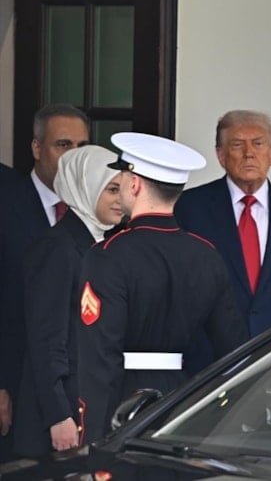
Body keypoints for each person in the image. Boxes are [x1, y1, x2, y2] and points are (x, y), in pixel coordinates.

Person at [76, 132, 250, 445]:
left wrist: (94, 438)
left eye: (122, 176)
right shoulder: (205, 254)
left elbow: (100, 359)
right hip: (182, 406)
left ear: (134, 184)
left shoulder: (108, 255)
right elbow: (234, 350)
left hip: (123, 406)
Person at [174, 110, 271, 346]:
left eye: (258, 144)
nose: (249, 153)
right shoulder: (189, 208)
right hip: (209, 354)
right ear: (220, 155)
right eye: (237, 144)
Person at [14, 146, 124, 458]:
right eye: (111, 189)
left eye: (124, 189)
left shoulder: (105, 244)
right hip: (62, 416)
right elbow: (46, 339)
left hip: (93, 407)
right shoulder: (56, 248)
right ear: (85, 186)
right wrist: (58, 415)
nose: (121, 200)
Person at [0, 104, 90, 461]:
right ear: (37, 148)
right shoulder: (6, 202)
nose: (73, 157)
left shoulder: (97, 209)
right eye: (63, 145)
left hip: (74, 390)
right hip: (14, 381)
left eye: (82, 147)